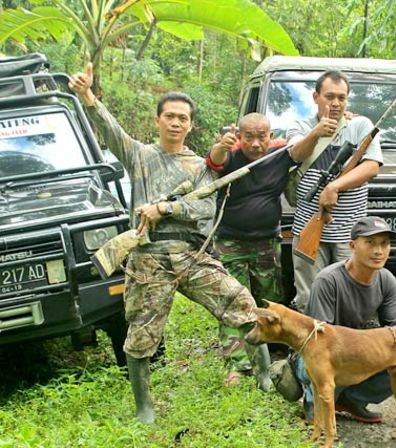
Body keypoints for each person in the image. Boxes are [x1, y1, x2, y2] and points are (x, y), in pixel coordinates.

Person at [68, 63, 273, 424]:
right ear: (158, 120)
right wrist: (87, 97)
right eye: (170, 116)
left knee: (242, 302)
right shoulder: (139, 155)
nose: (176, 123)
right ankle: (144, 406)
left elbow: (204, 209)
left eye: (183, 118)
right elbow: (109, 130)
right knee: (141, 334)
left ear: (191, 124)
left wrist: (166, 207)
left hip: (191, 254)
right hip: (148, 257)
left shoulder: (199, 166)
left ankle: (264, 375)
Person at [206, 113, 297, 386]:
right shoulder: (230, 156)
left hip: (267, 242)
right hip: (229, 241)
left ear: (270, 136)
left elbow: (304, 146)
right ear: (240, 137)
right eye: (249, 137)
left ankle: (274, 353)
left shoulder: (278, 154)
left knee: (268, 298)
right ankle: (239, 363)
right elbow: (214, 160)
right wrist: (223, 145)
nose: (256, 144)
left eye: (262, 137)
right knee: (233, 300)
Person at [287, 216, 396, 423]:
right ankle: (315, 400)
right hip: (319, 353)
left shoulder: (387, 280)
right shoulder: (328, 280)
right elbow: (317, 340)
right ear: (352, 245)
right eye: (370, 243)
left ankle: (350, 400)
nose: (378, 251)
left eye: (384, 244)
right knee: (320, 361)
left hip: (355, 352)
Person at [286, 70, 382, 313]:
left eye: (342, 97)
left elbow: (371, 167)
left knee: (350, 294)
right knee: (308, 294)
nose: (336, 103)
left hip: (350, 233)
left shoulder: (360, 125)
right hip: (308, 227)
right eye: (329, 96)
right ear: (315, 96)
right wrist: (317, 132)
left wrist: (334, 186)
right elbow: (296, 155)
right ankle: (309, 347)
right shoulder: (300, 126)